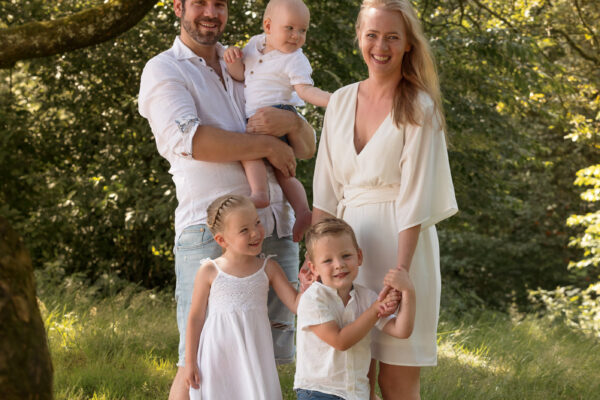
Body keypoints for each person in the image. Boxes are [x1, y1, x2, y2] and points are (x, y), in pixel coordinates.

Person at [137, 0, 316, 399]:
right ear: (178, 6)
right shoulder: (165, 69)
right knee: (197, 361)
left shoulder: (251, 59)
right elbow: (191, 139)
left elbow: (303, 148)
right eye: (199, 1)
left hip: (274, 228)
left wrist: (291, 122)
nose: (210, 11)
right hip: (211, 233)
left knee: (260, 360)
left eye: (219, 3)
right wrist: (267, 144)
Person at [308, 0, 458, 398]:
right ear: (359, 37)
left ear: (408, 43)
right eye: (372, 35)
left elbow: (416, 198)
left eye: (393, 36)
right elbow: (324, 188)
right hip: (343, 252)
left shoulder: (419, 106)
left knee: (395, 380)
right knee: (351, 377)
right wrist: (313, 262)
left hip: (399, 248)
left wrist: (401, 275)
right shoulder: (339, 101)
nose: (381, 46)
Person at [223, 0, 331, 242]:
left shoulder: (295, 59)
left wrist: (334, 100)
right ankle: (303, 211)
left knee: (248, 149)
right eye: (290, 28)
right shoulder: (253, 45)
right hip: (260, 116)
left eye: (303, 30)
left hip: (275, 114)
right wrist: (232, 60)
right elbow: (240, 75)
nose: (296, 36)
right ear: (268, 26)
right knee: (284, 173)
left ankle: (260, 193)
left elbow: (305, 91)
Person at [184, 195, 302, 400]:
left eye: (257, 222)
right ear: (221, 240)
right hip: (218, 354)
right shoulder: (210, 271)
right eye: (244, 230)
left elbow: (296, 305)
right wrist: (190, 362)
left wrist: (308, 284)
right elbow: (195, 318)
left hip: (254, 352)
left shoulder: (269, 268)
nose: (255, 233)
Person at [294, 218, 416, 400]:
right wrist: (375, 310)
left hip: (356, 393)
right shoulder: (313, 299)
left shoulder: (366, 297)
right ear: (314, 268)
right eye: (327, 260)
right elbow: (340, 341)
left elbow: (401, 330)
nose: (339, 264)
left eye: (346, 256)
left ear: (359, 256)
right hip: (319, 392)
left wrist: (408, 291)